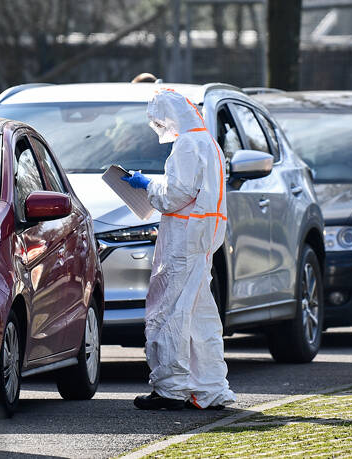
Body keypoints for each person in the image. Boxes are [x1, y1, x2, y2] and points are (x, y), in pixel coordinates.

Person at [122, 90, 235, 410]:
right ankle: (209, 386)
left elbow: (175, 195)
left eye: (159, 120)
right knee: (199, 317)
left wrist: (147, 186)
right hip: (199, 240)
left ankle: (171, 388)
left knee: (169, 311)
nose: (159, 127)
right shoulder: (207, 143)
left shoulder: (187, 144)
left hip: (183, 241)